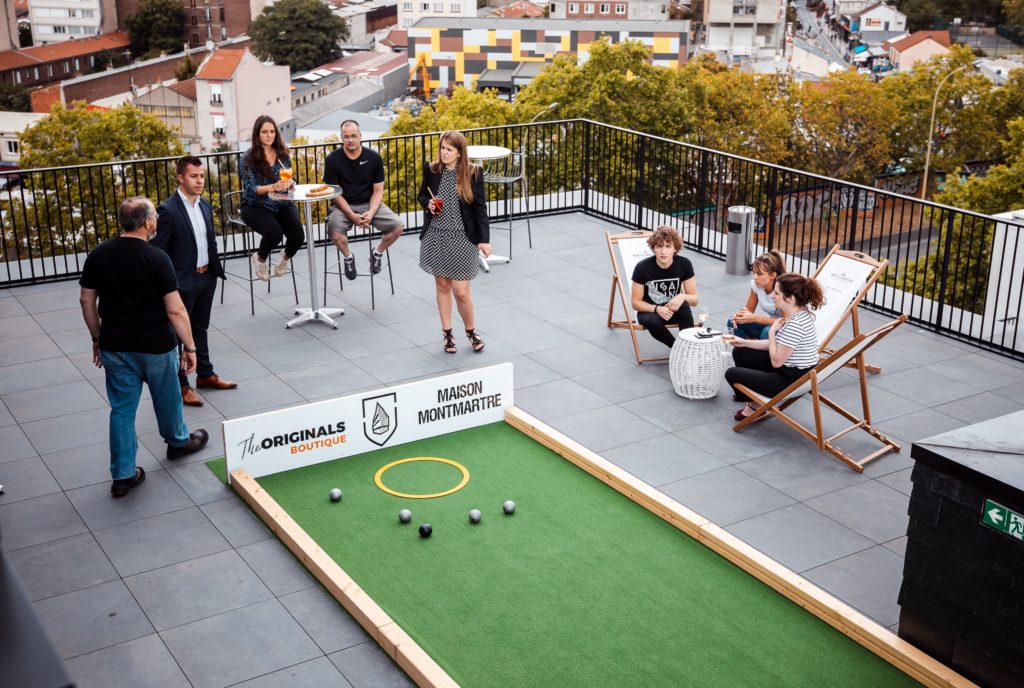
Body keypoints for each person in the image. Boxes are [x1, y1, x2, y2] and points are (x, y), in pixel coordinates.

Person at [79, 197, 209, 498]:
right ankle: (178, 443)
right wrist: (190, 347)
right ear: (148, 222)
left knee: (122, 410)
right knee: (166, 398)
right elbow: (175, 309)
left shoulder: (98, 254)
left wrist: (97, 339)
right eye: (155, 217)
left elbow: (87, 301)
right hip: (156, 346)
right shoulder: (157, 258)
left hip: (115, 345)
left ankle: (123, 476)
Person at [153, 155, 237, 408]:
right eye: (193, 176)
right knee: (179, 336)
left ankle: (205, 374)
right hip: (182, 282)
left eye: (201, 176)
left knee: (200, 328)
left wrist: (213, 271)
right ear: (180, 178)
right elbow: (158, 251)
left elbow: (208, 240)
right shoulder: (167, 210)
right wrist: (168, 285)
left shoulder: (205, 205)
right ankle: (181, 385)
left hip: (206, 276)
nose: (199, 181)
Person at [417, 130, 491, 354]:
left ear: (460, 152)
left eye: (449, 149)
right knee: (442, 285)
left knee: (461, 291)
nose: (444, 152)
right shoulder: (432, 170)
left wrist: (484, 240)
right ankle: (447, 334)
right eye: (442, 148)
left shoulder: (473, 173)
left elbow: (480, 208)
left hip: (462, 237)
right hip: (437, 234)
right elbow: (421, 196)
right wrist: (428, 203)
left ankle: (471, 330)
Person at [724, 273, 825, 421]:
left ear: (790, 299)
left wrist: (771, 333)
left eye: (777, 294)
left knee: (731, 373)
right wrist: (744, 342)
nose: (773, 297)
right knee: (740, 351)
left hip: (790, 380)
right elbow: (778, 346)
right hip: (790, 369)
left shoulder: (795, 325)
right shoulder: (799, 315)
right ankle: (752, 400)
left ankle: (755, 405)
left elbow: (776, 361)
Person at [323, 120, 404, 278]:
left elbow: (378, 190)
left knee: (398, 226)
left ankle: (377, 253)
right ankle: (348, 257)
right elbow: (334, 194)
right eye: (346, 136)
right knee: (336, 233)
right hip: (342, 205)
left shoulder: (373, 157)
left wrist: (372, 212)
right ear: (342, 138)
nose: (350, 139)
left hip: (369, 203)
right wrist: (351, 215)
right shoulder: (332, 159)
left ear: (360, 136)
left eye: (354, 135)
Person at [240, 115, 303, 281]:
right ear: (257, 134)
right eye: (264, 132)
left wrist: (289, 184)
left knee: (298, 236)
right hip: (255, 205)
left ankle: (285, 258)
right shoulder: (247, 158)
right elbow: (250, 190)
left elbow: (287, 177)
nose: (269, 135)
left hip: (281, 202)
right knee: (275, 234)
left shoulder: (283, 154)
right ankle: (260, 259)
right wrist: (273, 187)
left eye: (272, 131)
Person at [630, 226, 698, 348]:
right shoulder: (642, 268)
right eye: (659, 246)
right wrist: (657, 309)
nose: (663, 252)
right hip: (651, 311)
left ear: (675, 248)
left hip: (673, 311)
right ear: (653, 248)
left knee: (684, 306)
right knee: (652, 320)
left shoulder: (684, 264)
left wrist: (682, 296)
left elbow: (694, 300)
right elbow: (635, 303)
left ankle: (689, 346)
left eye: (668, 246)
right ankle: (677, 349)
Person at [728, 250, 787, 340]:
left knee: (768, 331)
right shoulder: (756, 285)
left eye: (759, 274)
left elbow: (784, 322)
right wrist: (740, 313)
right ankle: (743, 351)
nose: (754, 277)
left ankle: (758, 351)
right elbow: (749, 309)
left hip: (785, 330)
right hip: (769, 324)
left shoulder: (783, 290)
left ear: (773, 275)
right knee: (732, 321)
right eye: (754, 272)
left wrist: (755, 318)